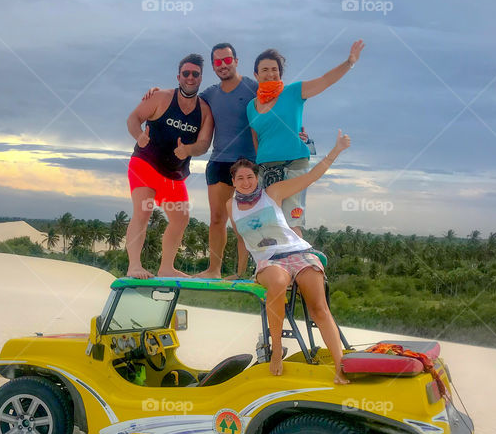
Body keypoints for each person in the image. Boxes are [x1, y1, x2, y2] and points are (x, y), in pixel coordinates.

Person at [142, 43, 310, 280]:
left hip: (249, 165)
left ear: (236, 61)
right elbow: (184, 98)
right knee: (217, 219)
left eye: (227, 60)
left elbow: (284, 108)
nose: (223, 65)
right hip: (219, 163)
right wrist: (158, 92)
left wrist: (301, 134)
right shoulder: (210, 94)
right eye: (218, 62)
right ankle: (214, 269)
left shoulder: (255, 88)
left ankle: (242, 272)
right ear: (213, 66)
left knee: (247, 221)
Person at [228, 131, 351, 382]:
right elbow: (242, 240)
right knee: (278, 283)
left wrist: (336, 150)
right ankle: (275, 351)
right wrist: (240, 271)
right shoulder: (230, 206)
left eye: (250, 176)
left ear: (257, 177)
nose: (246, 181)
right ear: (233, 182)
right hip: (269, 261)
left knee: (318, 308)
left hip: (299, 253)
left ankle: (340, 366)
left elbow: (310, 177)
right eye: (240, 178)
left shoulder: (272, 193)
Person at [248, 41, 364, 237]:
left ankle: (301, 265)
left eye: (274, 69)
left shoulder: (293, 92)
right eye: (265, 69)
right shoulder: (251, 106)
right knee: (268, 224)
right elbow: (257, 139)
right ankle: (272, 267)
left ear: (280, 73)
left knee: (291, 222)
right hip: (265, 169)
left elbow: (325, 80)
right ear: (256, 75)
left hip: (294, 165)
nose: (270, 73)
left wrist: (349, 62)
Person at [125, 54, 213, 278]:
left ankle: (166, 267)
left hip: (173, 174)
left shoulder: (204, 110)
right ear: (178, 76)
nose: (190, 77)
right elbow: (133, 118)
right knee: (143, 211)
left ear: (201, 77)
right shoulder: (161, 97)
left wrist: (188, 150)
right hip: (145, 163)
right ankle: (134, 265)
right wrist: (139, 136)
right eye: (186, 73)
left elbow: (203, 144)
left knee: (181, 219)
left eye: (195, 74)